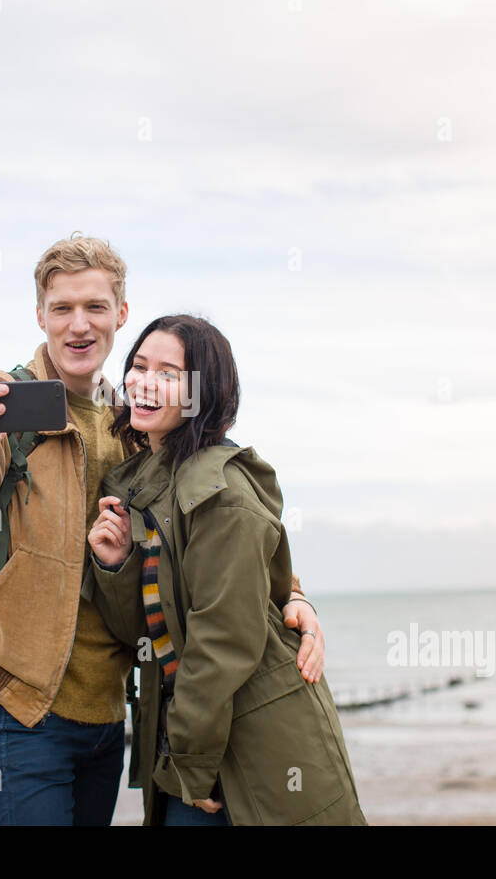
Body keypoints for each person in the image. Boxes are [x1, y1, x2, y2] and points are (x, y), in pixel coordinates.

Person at [0, 236, 328, 825]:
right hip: (21, 709)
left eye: (94, 307)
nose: (78, 326)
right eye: (61, 308)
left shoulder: (135, 423)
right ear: (39, 315)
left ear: (121, 314)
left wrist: (291, 592)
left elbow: (211, 526)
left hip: (109, 713)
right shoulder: (7, 406)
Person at [87, 314, 367, 825]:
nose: (144, 382)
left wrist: (191, 765)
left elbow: (223, 641)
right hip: (186, 740)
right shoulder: (139, 484)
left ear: (204, 393)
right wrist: (116, 565)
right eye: (139, 366)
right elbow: (143, 633)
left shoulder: (222, 493)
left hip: (254, 740)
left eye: (169, 373)